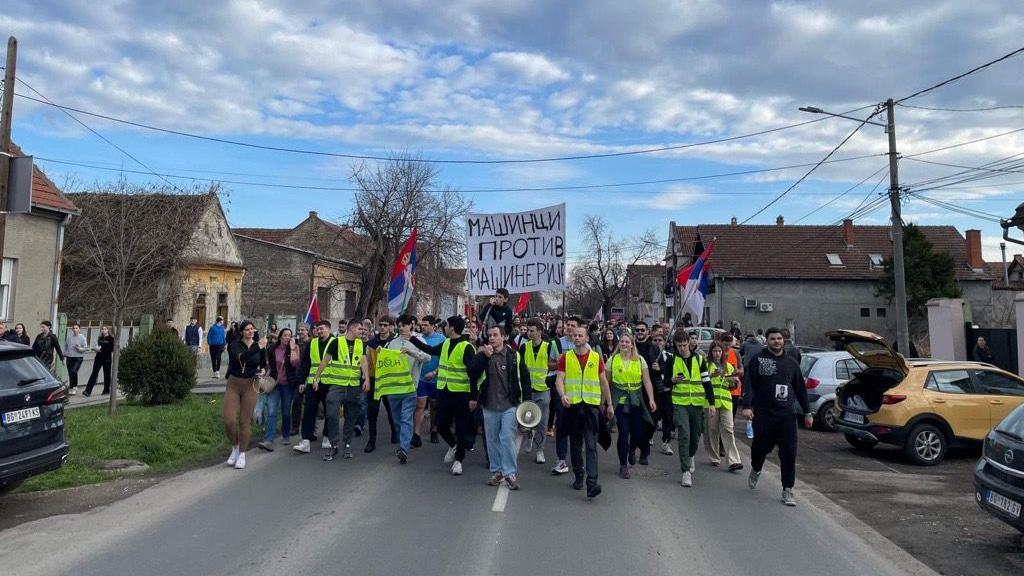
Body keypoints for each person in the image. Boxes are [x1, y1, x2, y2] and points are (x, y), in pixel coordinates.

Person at [742, 327, 813, 507]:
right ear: (766, 341)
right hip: (764, 414)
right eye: (773, 339)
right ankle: (756, 468)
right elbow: (749, 384)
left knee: (789, 453)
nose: (777, 341)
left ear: (784, 340)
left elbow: (800, 389)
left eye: (779, 338)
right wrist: (748, 406)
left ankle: (787, 489)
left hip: (786, 416)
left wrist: (807, 412)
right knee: (760, 448)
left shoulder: (791, 363)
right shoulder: (758, 360)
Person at [410, 315, 476, 476]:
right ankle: (453, 446)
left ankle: (459, 460)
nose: (444, 328)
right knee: (441, 424)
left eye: (446, 326)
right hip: (444, 391)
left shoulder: (466, 347)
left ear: (453, 328)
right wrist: (412, 338)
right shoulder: (446, 343)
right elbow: (431, 351)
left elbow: (474, 373)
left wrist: (474, 396)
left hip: (461, 393)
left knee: (460, 428)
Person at [555, 325, 614, 499]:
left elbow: (603, 382)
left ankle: (592, 482)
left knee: (590, 444)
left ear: (587, 338)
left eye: (581, 335)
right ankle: (579, 474)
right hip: (573, 407)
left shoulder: (596, 358)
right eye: (575, 336)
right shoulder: (566, 357)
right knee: (575, 444)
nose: (578, 338)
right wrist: (562, 395)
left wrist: (609, 404)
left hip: (591, 407)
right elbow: (559, 379)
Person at [469, 325, 531, 489]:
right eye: (489, 335)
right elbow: (472, 373)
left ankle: (509, 473)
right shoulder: (483, 354)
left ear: (503, 337)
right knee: (492, 440)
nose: (492, 338)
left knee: (507, 438)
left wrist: (527, 402)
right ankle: (496, 471)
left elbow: (524, 378)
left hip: (509, 404)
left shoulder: (513, 356)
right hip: (489, 405)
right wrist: (483, 357)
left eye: (495, 335)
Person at [663, 329, 716, 487]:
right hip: (680, 403)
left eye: (684, 345)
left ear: (689, 344)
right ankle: (685, 471)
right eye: (679, 345)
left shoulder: (699, 360)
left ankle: (691, 454)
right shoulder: (672, 360)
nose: (682, 348)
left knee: (695, 436)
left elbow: (707, 382)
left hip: (697, 404)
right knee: (684, 435)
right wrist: (672, 380)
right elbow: (665, 382)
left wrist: (711, 403)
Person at [313, 319, 370, 461]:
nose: (362, 332)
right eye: (360, 329)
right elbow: (325, 361)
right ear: (351, 329)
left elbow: (363, 361)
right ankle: (334, 445)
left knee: (351, 417)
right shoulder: (336, 342)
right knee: (332, 415)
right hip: (337, 385)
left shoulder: (360, 343)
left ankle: (347, 445)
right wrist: (316, 378)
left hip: (353, 386)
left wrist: (367, 379)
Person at [382, 314, 431, 464]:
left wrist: (412, 352)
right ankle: (404, 439)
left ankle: (403, 448)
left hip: (410, 386)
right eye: (400, 325)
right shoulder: (392, 343)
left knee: (406, 417)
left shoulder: (418, 341)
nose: (401, 328)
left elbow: (428, 357)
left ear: (412, 325)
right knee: (397, 419)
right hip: (394, 387)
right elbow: (386, 361)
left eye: (404, 325)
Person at [608, 331, 657, 479]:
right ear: (619, 343)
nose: (624, 344)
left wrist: (651, 399)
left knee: (637, 432)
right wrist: (606, 402)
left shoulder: (640, 360)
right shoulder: (612, 360)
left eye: (627, 342)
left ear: (632, 344)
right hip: (620, 402)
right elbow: (606, 382)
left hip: (636, 401)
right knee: (623, 433)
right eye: (622, 341)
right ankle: (623, 465)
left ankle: (632, 449)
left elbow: (647, 381)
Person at [223, 320, 267, 470]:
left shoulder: (259, 346)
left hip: (251, 384)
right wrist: (258, 347)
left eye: (252, 329)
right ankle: (235, 447)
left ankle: (242, 454)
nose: (250, 331)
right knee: (229, 420)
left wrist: (263, 370)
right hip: (234, 383)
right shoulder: (234, 345)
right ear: (241, 332)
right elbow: (241, 358)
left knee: (244, 421)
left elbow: (264, 363)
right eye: (247, 329)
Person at [294, 320, 334, 454]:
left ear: (328, 329)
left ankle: (327, 437)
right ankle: (305, 440)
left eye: (321, 328)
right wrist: (301, 381)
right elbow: (305, 363)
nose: (319, 331)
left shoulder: (336, 343)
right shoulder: (313, 342)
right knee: (309, 411)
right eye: (317, 329)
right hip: (312, 382)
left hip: (330, 382)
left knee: (330, 411)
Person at [521, 318, 558, 464]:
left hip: (543, 389)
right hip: (528, 389)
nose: (529, 333)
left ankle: (540, 450)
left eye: (532, 331)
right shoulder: (524, 347)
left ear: (540, 332)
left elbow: (557, 363)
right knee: (528, 418)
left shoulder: (549, 347)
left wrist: (551, 368)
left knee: (542, 422)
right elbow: (520, 366)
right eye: (528, 330)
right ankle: (529, 436)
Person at [260, 328, 301, 451]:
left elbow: (295, 363)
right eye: (285, 335)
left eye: (290, 335)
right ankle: (269, 440)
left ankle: (286, 434)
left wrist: (293, 348)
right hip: (274, 384)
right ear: (280, 337)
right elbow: (268, 364)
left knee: (286, 411)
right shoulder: (273, 348)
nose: (287, 338)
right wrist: (264, 373)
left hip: (287, 385)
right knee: (272, 412)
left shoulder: (294, 348)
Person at [704, 341, 743, 471]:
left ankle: (734, 461)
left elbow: (735, 385)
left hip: (726, 402)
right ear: (711, 352)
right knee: (712, 430)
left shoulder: (728, 367)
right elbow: (700, 382)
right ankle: (714, 457)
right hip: (711, 402)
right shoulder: (706, 365)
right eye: (715, 351)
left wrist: (733, 382)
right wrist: (711, 375)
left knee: (728, 430)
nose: (717, 354)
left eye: (719, 351)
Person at [550, 315, 581, 475]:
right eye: (567, 324)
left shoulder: (585, 346)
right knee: (561, 424)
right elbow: (549, 365)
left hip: (579, 392)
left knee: (577, 427)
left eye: (573, 325)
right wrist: (559, 362)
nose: (569, 327)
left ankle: (577, 459)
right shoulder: (556, 343)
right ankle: (561, 460)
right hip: (561, 389)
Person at [364, 316, 399, 453]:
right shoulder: (372, 343)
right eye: (381, 325)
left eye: (386, 325)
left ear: (391, 326)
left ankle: (394, 432)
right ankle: (371, 441)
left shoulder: (395, 342)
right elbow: (366, 361)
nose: (383, 327)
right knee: (372, 411)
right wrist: (366, 379)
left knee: (391, 410)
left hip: (389, 381)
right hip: (375, 380)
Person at [413, 316, 445, 447]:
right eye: (422, 325)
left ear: (433, 326)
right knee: (420, 405)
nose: (423, 327)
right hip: (420, 377)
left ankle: (434, 430)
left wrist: (435, 372)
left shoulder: (442, 339)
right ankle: (416, 435)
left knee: (434, 406)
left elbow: (445, 359)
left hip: (435, 378)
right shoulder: (419, 338)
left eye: (426, 325)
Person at [84, 325, 114, 396]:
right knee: (94, 373)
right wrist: (96, 349)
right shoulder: (100, 338)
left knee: (107, 375)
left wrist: (102, 350)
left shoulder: (111, 339)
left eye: (105, 329)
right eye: (102, 329)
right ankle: (88, 391)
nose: (103, 330)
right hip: (98, 358)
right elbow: (97, 346)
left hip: (107, 359)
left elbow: (111, 349)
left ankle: (106, 390)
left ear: (108, 330)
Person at [64, 323, 89, 395]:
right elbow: (66, 347)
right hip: (69, 357)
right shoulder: (69, 338)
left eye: (76, 328)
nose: (75, 330)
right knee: (70, 373)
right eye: (73, 328)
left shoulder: (82, 337)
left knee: (74, 371)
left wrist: (79, 348)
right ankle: (72, 387)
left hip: (78, 357)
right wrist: (64, 354)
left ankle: (74, 386)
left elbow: (85, 348)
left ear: (79, 329)